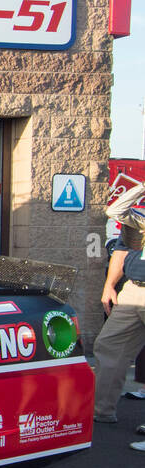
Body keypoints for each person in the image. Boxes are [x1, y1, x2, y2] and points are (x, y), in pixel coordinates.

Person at [94, 181, 145, 426]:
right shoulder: (142, 217)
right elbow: (115, 213)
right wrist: (109, 285)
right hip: (133, 291)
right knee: (108, 346)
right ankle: (101, 411)